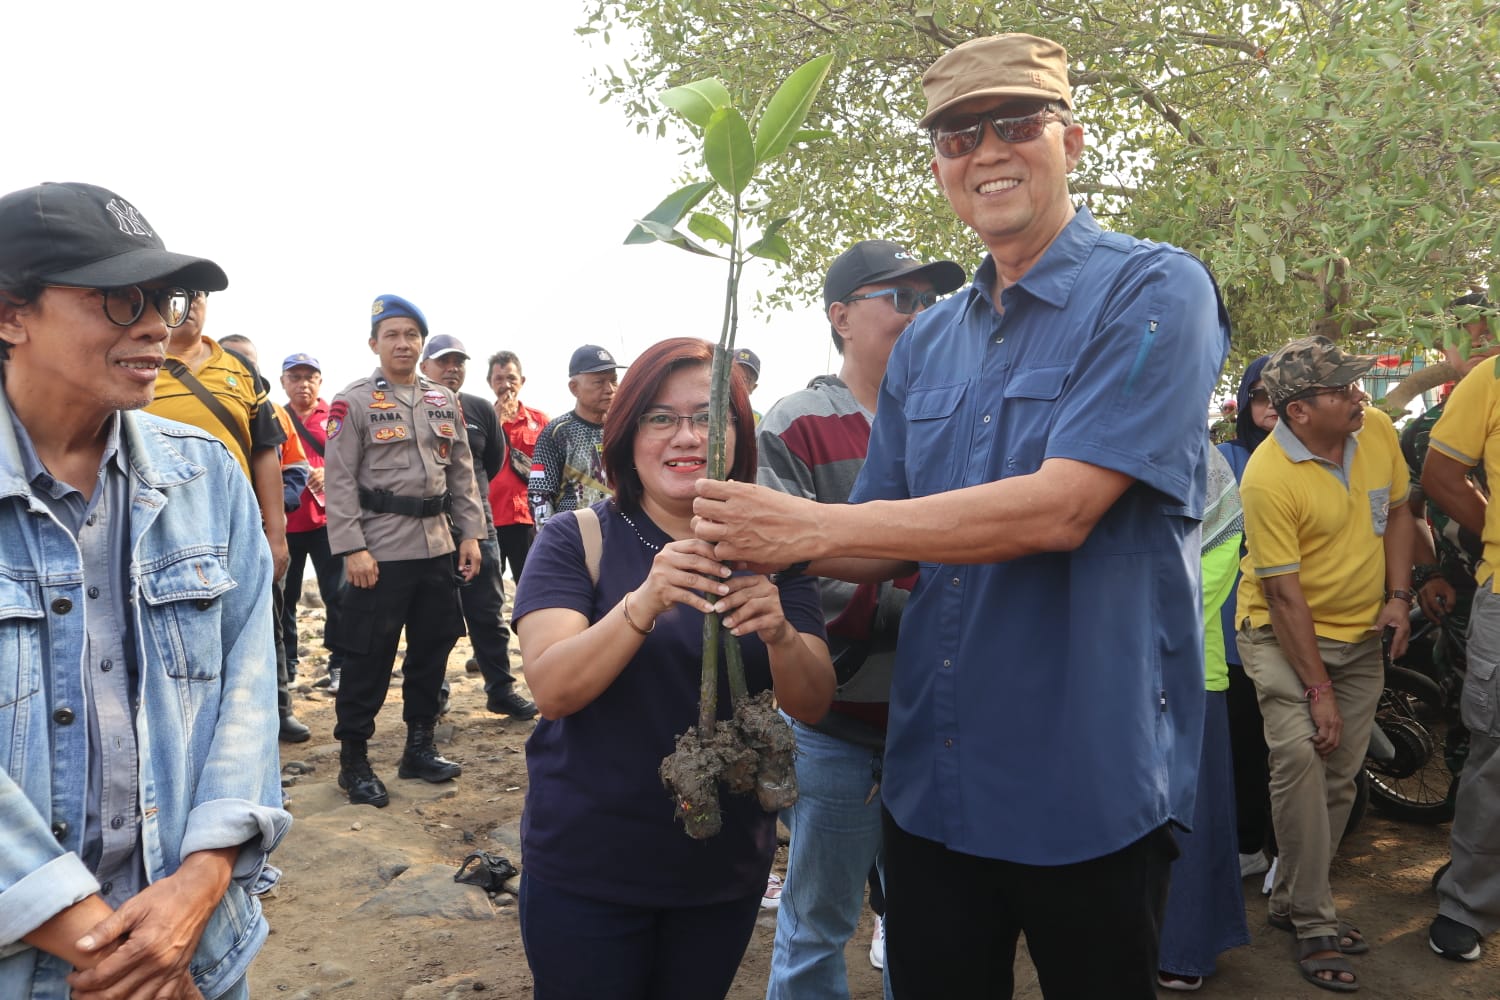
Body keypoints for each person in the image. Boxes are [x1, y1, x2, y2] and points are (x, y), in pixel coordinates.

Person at [693, 33, 1230, 999]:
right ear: (940, 165)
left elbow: (1064, 508)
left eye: (1015, 123)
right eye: (956, 136)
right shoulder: (931, 339)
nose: (985, 152)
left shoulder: (1154, 290)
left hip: (1086, 781)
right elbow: (880, 532)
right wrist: (740, 542)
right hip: (933, 782)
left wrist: (810, 530)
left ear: (1071, 138)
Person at [0, 180, 290, 998]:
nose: (159, 324)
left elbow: (248, 693)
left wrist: (198, 887)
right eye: (121, 299)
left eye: (167, 299)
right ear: (11, 314)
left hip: (197, 945)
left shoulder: (208, 477)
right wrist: (114, 953)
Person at [513, 337, 834, 1000]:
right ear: (628, 435)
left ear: (738, 435)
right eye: (661, 418)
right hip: (590, 867)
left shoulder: (772, 553)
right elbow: (552, 689)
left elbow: (812, 702)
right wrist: (645, 602)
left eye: (709, 418)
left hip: (721, 869)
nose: (687, 436)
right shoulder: (577, 539)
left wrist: (779, 632)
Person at [761, 239, 963, 1000]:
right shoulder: (797, 424)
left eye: (929, 302)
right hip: (839, 720)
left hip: (942, 721)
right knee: (818, 918)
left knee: (928, 922)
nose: (919, 315)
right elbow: (781, 569)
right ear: (842, 317)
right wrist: (912, 586)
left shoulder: (956, 417)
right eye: (900, 299)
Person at [1236, 336, 1413, 992]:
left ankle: (1289, 900)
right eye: (1342, 390)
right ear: (1299, 411)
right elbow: (1284, 597)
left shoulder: (1378, 432)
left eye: (1356, 384)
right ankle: (1314, 920)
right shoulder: (1267, 477)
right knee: (1299, 759)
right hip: (1280, 635)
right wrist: (1318, 690)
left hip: (1361, 634)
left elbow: (1400, 512)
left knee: (1340, 776)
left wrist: (1399, 597)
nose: (1359, 396)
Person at [323, 294, 487, 807]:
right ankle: (354, 761)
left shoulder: (443, 400)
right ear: (374, 343)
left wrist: (470, 534)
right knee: (367, 656)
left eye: (411, 335)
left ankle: (419, 747)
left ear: (421, 343)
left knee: (432, 650)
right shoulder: (353, 402)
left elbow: (461, 471)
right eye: (391, 335)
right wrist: (352, 548)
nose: (402, 343)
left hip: (437, 546)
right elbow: (339, 480)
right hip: (380, 550)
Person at [1419, 295, 1500, 963]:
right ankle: (1467, 904)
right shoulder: (1491, 379)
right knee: (1493, 754)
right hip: (1492, 590)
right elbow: (1437, 478)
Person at [1156, 446, 1251, 991]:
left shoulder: (1201, 455)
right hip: (1099, 675)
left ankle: (1183, 947)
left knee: (1186, 819)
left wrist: (1139, 627)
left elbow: (1217, 558)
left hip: (1188, 671)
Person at [416, 334, 537, 719]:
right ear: (424, 367)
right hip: (426, 527)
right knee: (433, 616)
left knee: (488, 611)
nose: (452, 369)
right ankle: (434, 694)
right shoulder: (409, 406)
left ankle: (500, 690)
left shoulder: (479, 409)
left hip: (479, 523)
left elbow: (496, 460)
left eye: (459, 362)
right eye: (443, 362)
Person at [216, 333, 313, 744]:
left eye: (250, 361)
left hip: (258, 533)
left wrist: (273, 512)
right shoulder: (193, 400)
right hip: (203, 535)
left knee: (269, 624)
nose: (244, 367)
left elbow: (295, 468)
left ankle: (279, 709)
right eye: (234, 359)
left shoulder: (273, 413)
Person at [1218, 356, 1277, 880]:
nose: (1271, 405)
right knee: (1244, 744)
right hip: (1234, 629)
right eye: (1260, 395)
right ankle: (1247, 843)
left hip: (1307, 626)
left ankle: (1292, 851)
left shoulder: (1325, 456)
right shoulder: (1226, 460)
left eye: (1282, 393)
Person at [277, 351, 349, 694]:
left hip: (328, 523)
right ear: (283, 382)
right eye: (295, 377)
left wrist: (328, 472)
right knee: (284, 599)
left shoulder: (336, 416)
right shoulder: (274, 418)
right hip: (286, 523)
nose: (303, 384)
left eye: (310, 377)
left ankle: (339, 665)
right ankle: (288, 666)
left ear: (320, 382)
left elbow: (356, 459)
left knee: (338, 596)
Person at [528, 344, 618, 527]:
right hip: (574, 535)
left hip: (620, 532)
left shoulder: (624, 428)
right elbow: (540, 495)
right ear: (574, 388)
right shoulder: (557, 433)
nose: (610, 389)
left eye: (614, 380)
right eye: (599, 382)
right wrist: (550, 538)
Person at [487, 350, 548, 582]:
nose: (506, 385)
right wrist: (495, 422)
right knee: (490, 585)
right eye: (499, 379)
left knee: (531, 581)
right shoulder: (481, 419)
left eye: (511, 378)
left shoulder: (539, 420)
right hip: (491, 516)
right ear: (490, 382)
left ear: (522, 381)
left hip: (527, 517)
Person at [735, 347, 762, 423]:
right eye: (734, 376)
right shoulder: (707, 411)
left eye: (745, 380)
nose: (738, 382)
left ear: (753, 388)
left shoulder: (759, 422)